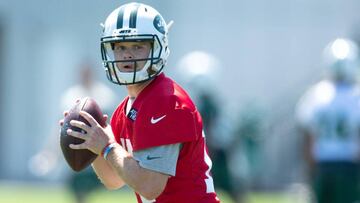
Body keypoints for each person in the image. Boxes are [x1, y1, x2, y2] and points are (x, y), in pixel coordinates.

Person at [60, 2, 220, 203]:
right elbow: (114, 180)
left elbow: (150, 186)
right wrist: (93, 142)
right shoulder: (127, 108)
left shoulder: (167, 101)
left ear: (158, 47)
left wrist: (107, 146)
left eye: (137, 46)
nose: (127, 54)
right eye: (120, 46)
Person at [295, 38, 360, 203]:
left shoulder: (316, 94)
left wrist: (310, 171)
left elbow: (308, 139)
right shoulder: (356, 95)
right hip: (348, 167)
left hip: (322, 167)